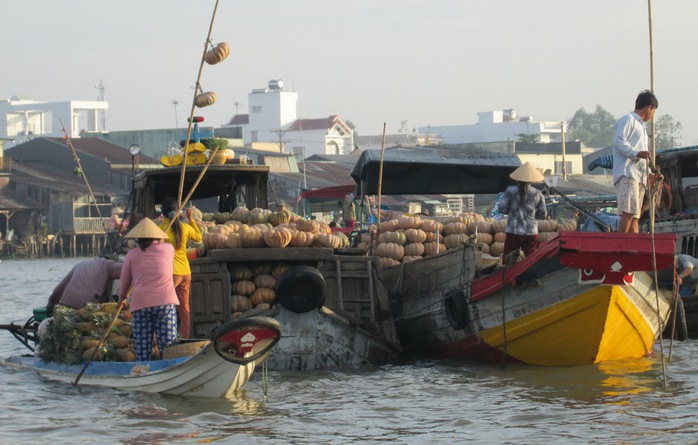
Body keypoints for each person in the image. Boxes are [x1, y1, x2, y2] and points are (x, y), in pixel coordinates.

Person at [119, 217, 179, 362]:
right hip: (165, 303)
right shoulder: (168, 249)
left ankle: (144, 371)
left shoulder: (131, 255)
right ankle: (168, 369)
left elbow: (124, 282)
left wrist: (122, 299)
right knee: (168, 347)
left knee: (142, 350)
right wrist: (160, 242)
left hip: (141, 306)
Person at [613, 90, 659, 233]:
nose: (652, 116)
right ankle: (621, 247)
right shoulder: (628, 120)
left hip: (639, 175)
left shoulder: (642, 128)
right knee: (628, 212)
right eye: (653, 111)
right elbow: (619, 142)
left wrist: (651, 172)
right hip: (628, 173)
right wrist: (636, 153)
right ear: (649, 108)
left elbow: (643, 155)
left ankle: (634, 248)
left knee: (635, 216)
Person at [158, 197, 202, 339]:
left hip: (171, 273)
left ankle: (166, 337)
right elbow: (199, 237)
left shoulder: (161, 228)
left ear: (163, 213)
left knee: (164, 306)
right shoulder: (185, 227)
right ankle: (184, 338)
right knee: (184, 310)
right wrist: (191, 219)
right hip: (185, 272)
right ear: (178, 212)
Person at [497, 162, 547, 262]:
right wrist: (531, 215)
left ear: (517, 179)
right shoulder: (538, 193)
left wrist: (512, 212)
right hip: (531, 232)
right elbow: (543, 214)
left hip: (513, 231)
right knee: (529, 261)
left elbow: (501, 208)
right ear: (532, 180)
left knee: (508, 261)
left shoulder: (510, 190)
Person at [47, 257, 122, 309]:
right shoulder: (107, 265)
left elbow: (59, 289)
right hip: (85, 306)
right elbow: (127, 269)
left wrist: (51, 304)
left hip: (65, 303)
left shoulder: (81, 264)